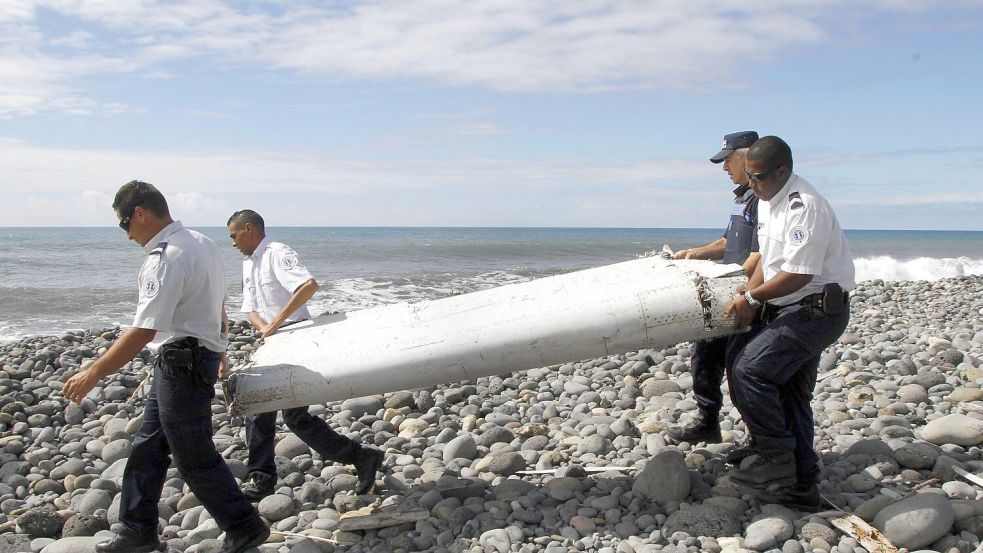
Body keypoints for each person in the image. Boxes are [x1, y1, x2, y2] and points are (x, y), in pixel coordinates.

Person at [64, 181, 269, 553]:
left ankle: (244, 525)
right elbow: (215, 303)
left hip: (182, 363)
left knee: (192, 454)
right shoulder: (201, 243)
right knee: (147, 447)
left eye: (124, 224)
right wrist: (218, 347)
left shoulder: (166, 256)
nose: (127, 235)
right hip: (187, 359)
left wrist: (94, 371)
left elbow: (144, 330)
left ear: (140, 213)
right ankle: (136, 531)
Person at [724, 136, 854, 509]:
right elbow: (768, 255)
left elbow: (798, 274)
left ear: (783, 171)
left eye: (759, 177)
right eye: (748, 176)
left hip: (816, 310)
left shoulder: (805, 208)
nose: (751, 184)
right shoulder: (768, 199)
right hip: (788, 306)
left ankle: (776, 457)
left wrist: (751, 298)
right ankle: (801, 485)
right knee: (783, 389)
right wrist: (750, 295)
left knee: (752, 371)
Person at [226, 209, 385, 499]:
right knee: (268, 411)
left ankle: (358, 458)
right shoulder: (248, 264)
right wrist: (263, 327)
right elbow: (249, 306)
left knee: (285, 413)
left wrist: (275, 324)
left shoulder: (277, 253)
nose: (233, 243)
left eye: (234, 236)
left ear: (249, 229)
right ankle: (263, 478)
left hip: (296, 336)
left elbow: (308, 286)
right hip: (272, 342)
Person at [667, 130, 762, 446]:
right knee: (705, 357)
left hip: (746, 295)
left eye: (728, 161)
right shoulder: (741, 199)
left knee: (741, 369)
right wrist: (692, 253)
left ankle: (758, 438)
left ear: (748, 157)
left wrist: (744, 293)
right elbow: (726, 243)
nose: (724, 169)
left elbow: (761, 255)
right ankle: (707, 421)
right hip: (728, 291)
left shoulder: (762, 200)